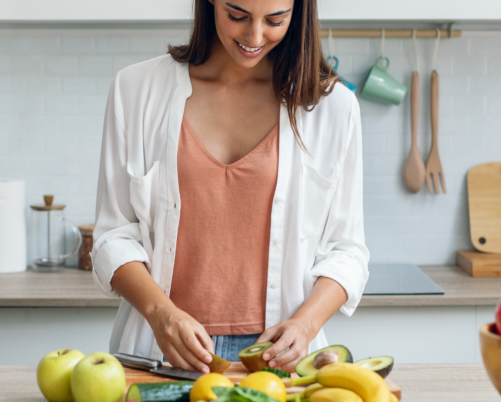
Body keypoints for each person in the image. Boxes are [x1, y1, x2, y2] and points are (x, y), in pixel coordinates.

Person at [91, 0, 368, 374]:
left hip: (278, 362)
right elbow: (113, 235)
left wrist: (306, 324)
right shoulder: (136, 90)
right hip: (160, 351)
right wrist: (161, 314)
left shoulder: (332, 108)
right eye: (237, 16)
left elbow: (346, 250)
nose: (254, 37)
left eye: (275, 20)